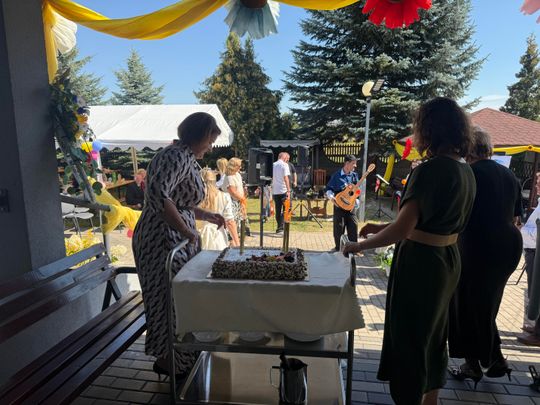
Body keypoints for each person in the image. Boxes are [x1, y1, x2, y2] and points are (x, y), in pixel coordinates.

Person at [343, 97, 476, 405]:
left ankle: (409, 397)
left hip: (422, 264)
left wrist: (358, 245)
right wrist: (379, 227)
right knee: (434, 334)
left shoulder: (429, 170)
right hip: (448, 261)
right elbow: (427, 222)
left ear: (429, 129)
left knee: (410, 335)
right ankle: (430, 399)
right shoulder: (466, 170)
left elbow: (403, 230)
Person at [132, 112, 226, 378]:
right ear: (199, 135)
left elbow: (178, 201)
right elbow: (158, 196)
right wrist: (185, 230)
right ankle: (171, 363)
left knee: (177, 299)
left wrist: (205, 215)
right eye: (209, 141)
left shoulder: (184, 157)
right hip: (161, 239)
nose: (210, 147)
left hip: (174, 237)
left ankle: (179, 361)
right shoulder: (175, 156)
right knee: (169, 301)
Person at [448, 128, 523, 385]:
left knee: (466, 304)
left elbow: (457, 215)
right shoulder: (508, 174)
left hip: (479, 244)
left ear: (468, 147)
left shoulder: (469, 174)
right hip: (509, 245)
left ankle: (480, 363)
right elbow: (516, 216)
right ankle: (490, 360)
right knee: (485, 305)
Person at [517, 172, 540, 346]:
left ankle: (538, 334)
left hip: (536, 250)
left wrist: (522, 231)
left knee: (537, 291)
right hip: (532, 251)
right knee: (534, 291)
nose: (536, 185)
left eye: (539, 182)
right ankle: (536, 326)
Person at [325, 154, 359, 252]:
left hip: (351, 207)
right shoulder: (336, 176)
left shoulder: (354, 175)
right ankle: (338, 249)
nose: (355, 166)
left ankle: (353, 249)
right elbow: (329, 189)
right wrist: (332, 198)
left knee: (353, 227)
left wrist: (356, 199)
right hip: (339, 206)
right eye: (353, 163)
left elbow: (357, 191)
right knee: (339, 229)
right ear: (347, 163)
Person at [199, 168, 240, 248]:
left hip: (199, 236)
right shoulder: (224, 196)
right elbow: (230, 221)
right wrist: (237, 242)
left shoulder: (195, 197)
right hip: (217, 236)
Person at [221, 157, 247, 231]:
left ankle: (240, 234)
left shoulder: (237, 174)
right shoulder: (229, 177)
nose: (240, 167)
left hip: (239, 201)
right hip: (232, 203)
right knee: (233, 221)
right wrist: (242, 199)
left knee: (241, 221)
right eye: (239, 166)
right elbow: (233, 192)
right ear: (233, 166)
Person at [272, 152, 291, 234]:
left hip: (275, 191)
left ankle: (279, 227)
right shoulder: (284, 165)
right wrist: (288, 190)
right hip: (283, 190)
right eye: (287, 159)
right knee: (287, 208)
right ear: (284, 157)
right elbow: (286, 178)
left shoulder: (273, 165)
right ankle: (281, 226)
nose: (287, 160)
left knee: (278, 209)